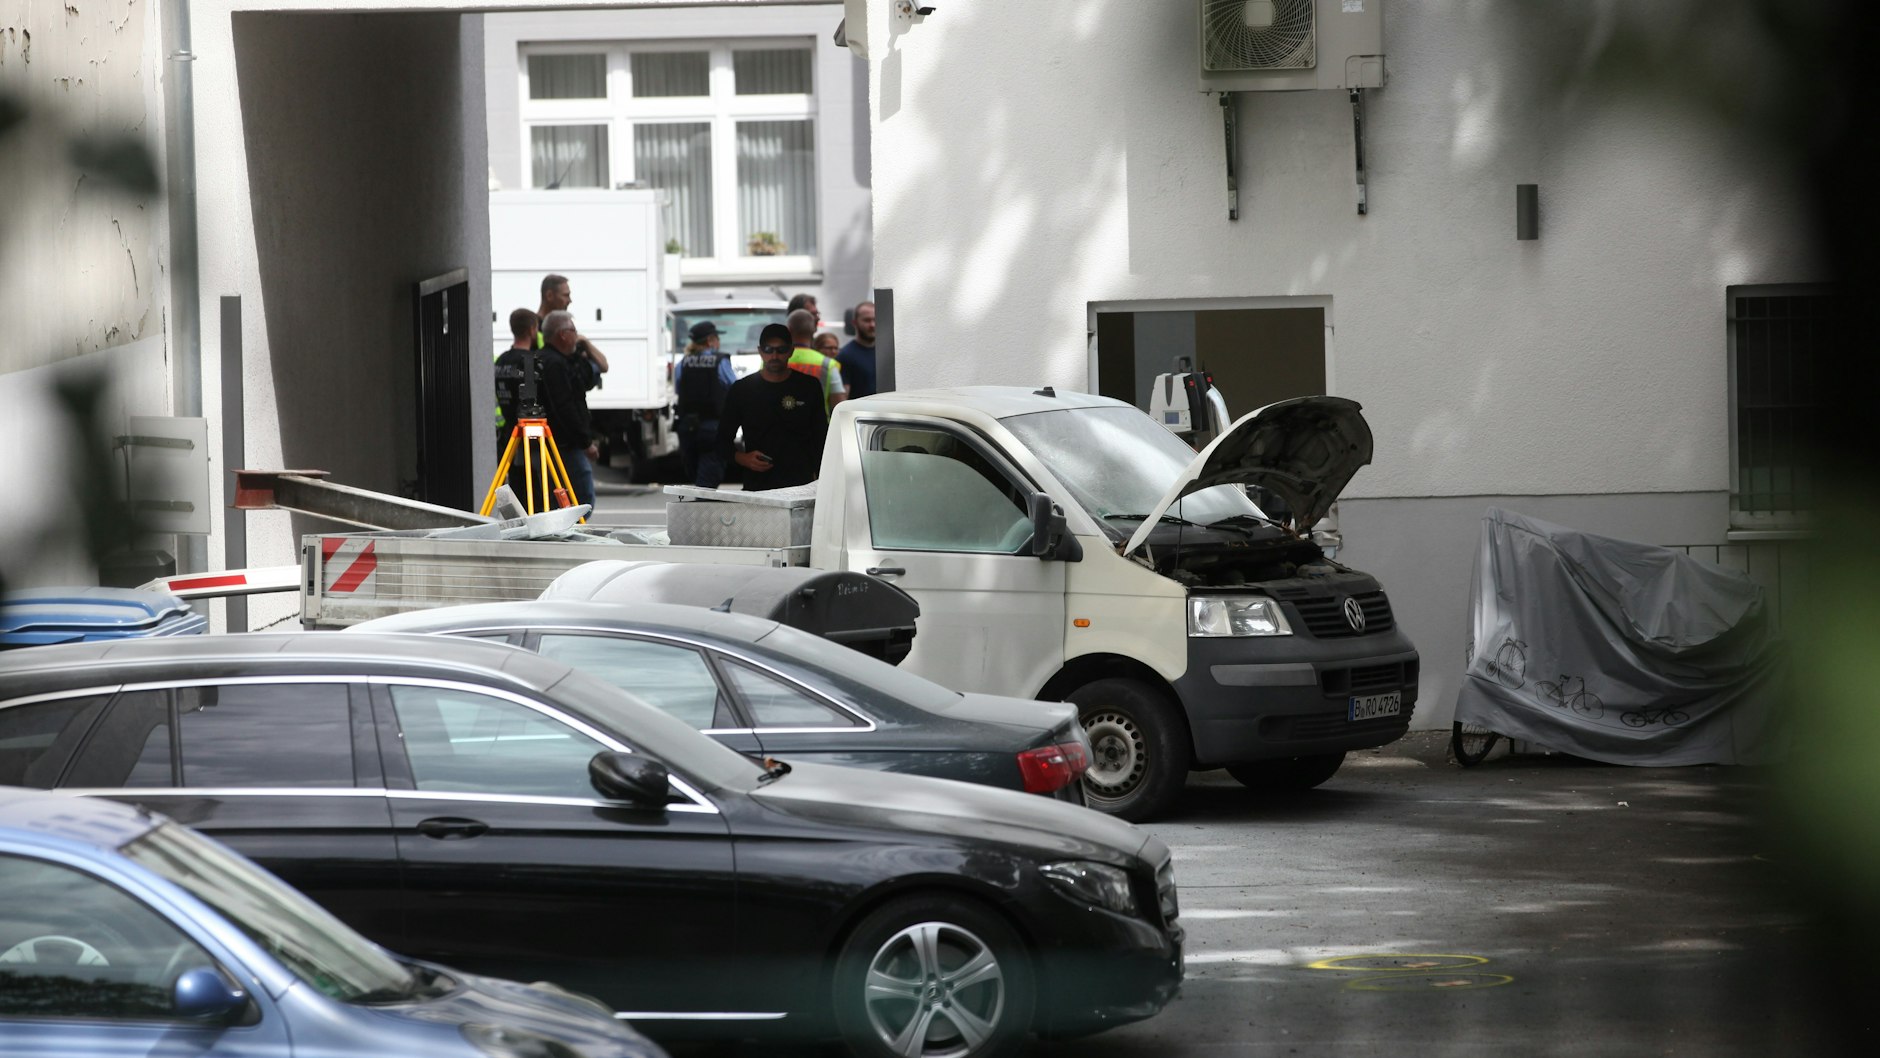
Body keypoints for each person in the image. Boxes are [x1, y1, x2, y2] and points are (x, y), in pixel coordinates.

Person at [717, 323, 829, 491]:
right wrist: (743, 458)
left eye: (781, 350)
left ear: (791, 351)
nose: (774, 355)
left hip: (801, 485)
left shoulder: (809, 387)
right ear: (760, 351)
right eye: (769, 349)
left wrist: (822, 479)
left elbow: (821, 438)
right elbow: (721, 441)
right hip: (759, 485)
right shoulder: (742, 389)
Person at [539, 310, 600, 509]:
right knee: (582, 500)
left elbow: (595, 373)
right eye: (574, 330)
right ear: (563, 334)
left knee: (562, 499)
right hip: (566, 444)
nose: (577, 335)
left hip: (554, 443)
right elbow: (564, 406)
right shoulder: (555, 364)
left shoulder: (552, 359)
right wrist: (585, 442)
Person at [673, 320, 737, 488]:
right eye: (717, 338)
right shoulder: (720, 361)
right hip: (713, 427)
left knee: (697, 476)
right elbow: (735, 389)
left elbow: (679, 390)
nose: (718, 342)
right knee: (707, 481)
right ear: (710, 340)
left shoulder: (683, 363)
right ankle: (700, 511)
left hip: (688, 427)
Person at [536, 274, 608, 389]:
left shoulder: (565, 327)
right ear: (549, 295)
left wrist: (585, 342)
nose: (569, 300)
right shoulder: (533, 329)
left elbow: (603, 366)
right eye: (565, 295)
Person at [785, 308, 845, 416]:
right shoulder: (827, 364)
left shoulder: (771, 361)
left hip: (779, 429)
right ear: (814, 330)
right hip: (818, 429)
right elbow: (840, 406)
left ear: (788, 330)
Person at [837, 299, 878, 399]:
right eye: (867, 320)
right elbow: (842, 397)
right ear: (854, 323)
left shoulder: (886, 353)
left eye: (875, 320)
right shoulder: (845, 356)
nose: (872, 325)